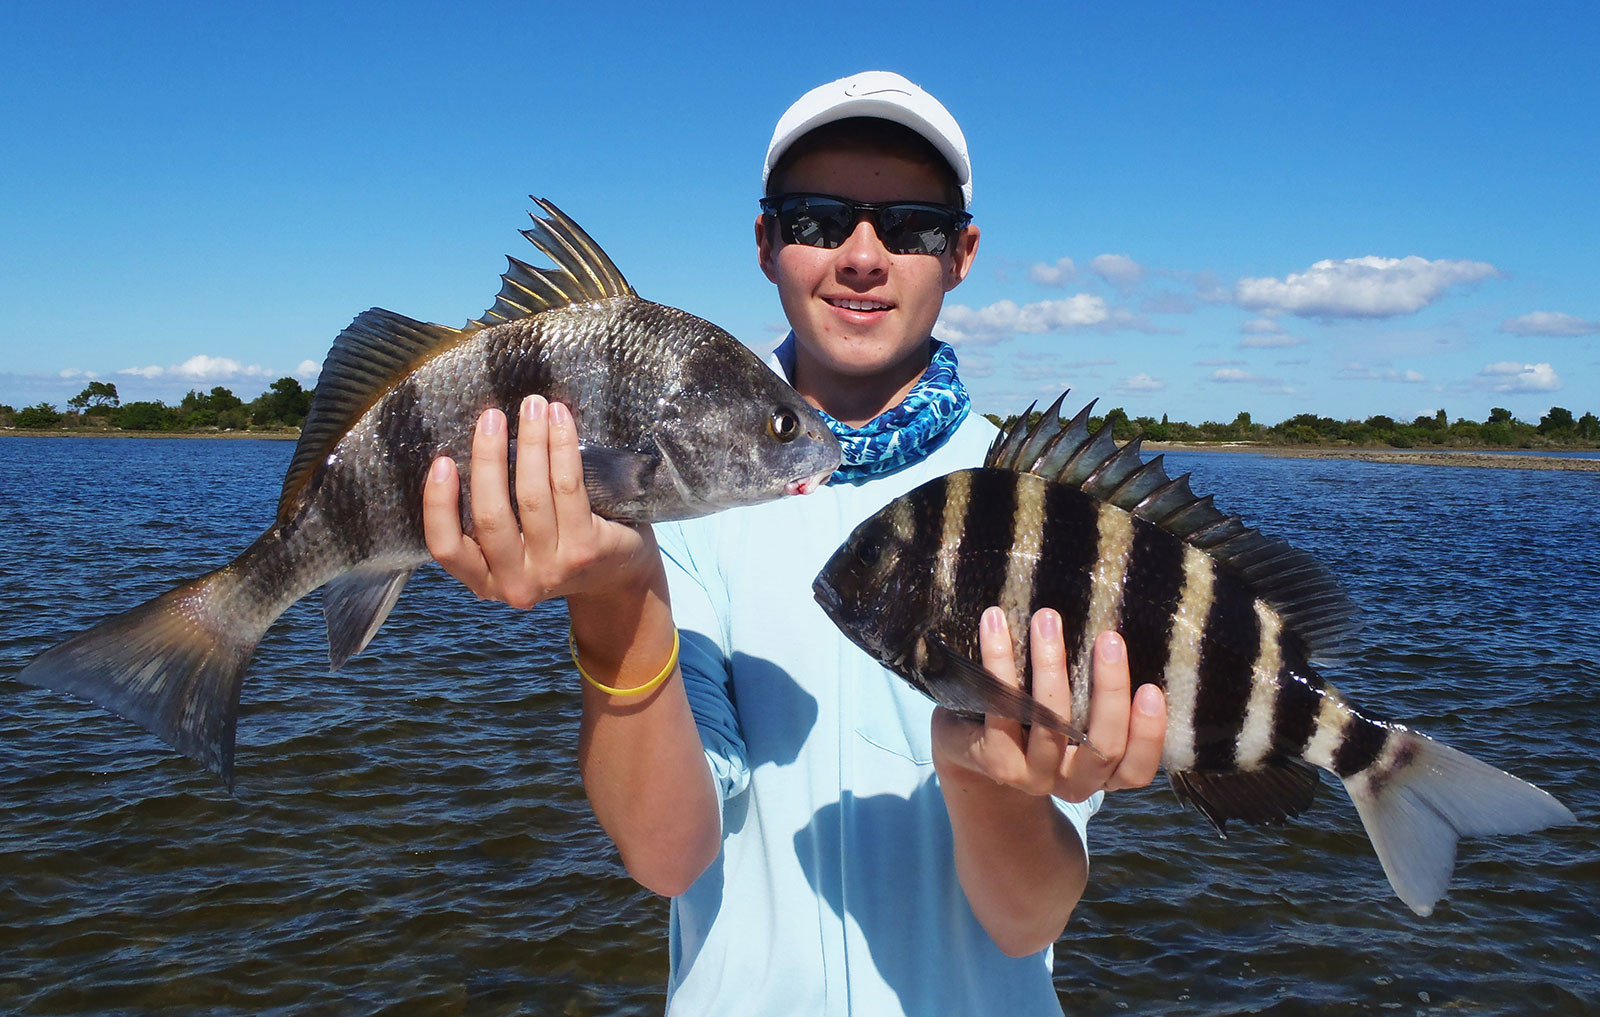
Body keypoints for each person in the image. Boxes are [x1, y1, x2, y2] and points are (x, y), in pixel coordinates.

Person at [422, 71, 1168, 1016]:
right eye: (819, 219)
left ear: (963, 252)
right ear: (767, 242)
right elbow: (666, 854)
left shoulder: (1046, 511)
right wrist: (617, 599)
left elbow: (1028, 922)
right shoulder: (681, 495)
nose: (864, 255)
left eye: (911, 226)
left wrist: (987, 779)